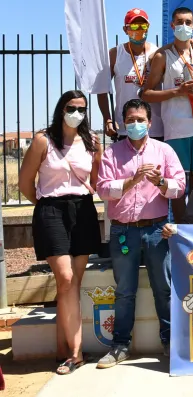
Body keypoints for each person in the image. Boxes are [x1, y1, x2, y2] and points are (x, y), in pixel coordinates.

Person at [95, 99, 185, 368]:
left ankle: (171, 341)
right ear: (123, 123)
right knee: (124, 291)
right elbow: (102, 189)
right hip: (123, 231)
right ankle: (120, 345)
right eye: (130, 119)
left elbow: (179, 186)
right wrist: (132, 180)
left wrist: (160, 182)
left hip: (157, 230)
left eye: (140, 120)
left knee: (164, 289)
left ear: (150, 122)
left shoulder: (164, 151)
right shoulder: (112, 154)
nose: (135, 124)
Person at [18, 90, 102, 375]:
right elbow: (26, 182)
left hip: (83, 209)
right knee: (65, 278)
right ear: (61, 108)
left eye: (81, 108)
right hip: (51, 209)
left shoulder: (92, 141)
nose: (76, 112)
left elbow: (97, 179)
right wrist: (45, 206)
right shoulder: (44, 139)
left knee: (72, 284)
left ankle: (63, 348)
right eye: (71, 107)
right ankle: (76, 354)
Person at [142, 7, 193, 221]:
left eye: (188, 22)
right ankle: (181, 231)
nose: (184, 26)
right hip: (176, 130)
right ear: (172, 25)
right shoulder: (162, 56)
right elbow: (146, 94)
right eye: (179, 22)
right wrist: (178, 91)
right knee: (178, 186)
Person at [97, 8, 164, 142]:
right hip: (125, 127)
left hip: (154, 127)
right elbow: (102, 89)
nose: (139, 29)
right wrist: (108, 119)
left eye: (143, 25)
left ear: (148, 27)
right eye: (134, 26)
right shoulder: (115, 54)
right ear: (125, 29)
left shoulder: (158, 53)